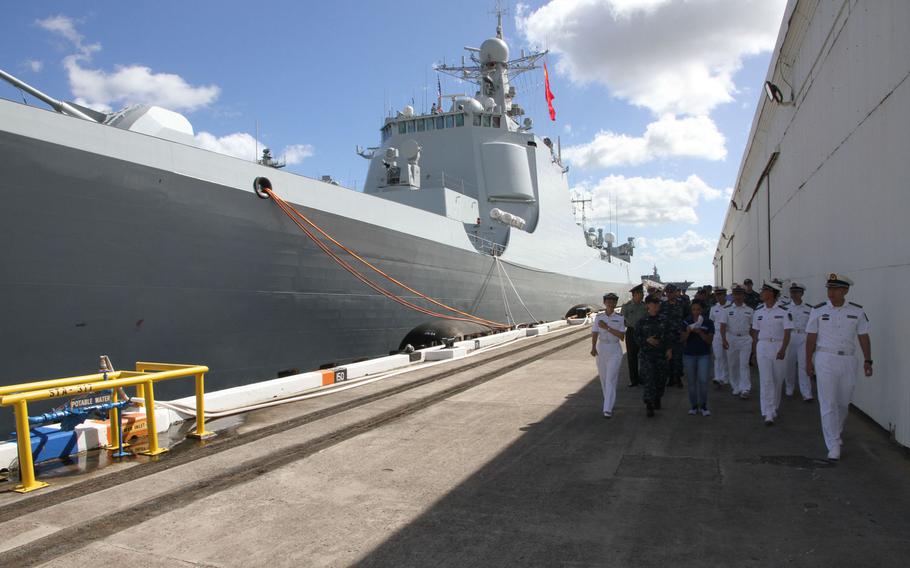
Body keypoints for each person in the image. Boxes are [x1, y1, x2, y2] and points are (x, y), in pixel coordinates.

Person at [806, 273, 872, 461]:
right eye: (829, 288)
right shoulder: (817, 310)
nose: (831, 292)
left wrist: (868, 360)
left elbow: (863, 336)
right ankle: (833, 443)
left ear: (845, 290)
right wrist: (807, 362)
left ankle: (837, 430)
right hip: (825, 358)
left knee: (844, 402)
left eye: (835, 289)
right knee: (828, 403)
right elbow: (810, 337)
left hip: (848, 360)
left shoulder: (857, 311)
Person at [751, 281, 792, 425]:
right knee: (766, 379)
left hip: (778, 345)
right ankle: (767, 411)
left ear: (772, 293)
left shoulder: (784, 311)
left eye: (764, 291)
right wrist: (754, 352)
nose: (761, 293)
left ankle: (774, 407)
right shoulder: (758, 311)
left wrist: (783, 349)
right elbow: (755, 333)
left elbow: (787, 332)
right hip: (763, 346)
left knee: (777, 379)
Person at [636, 295, 674, 417]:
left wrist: (669, 349)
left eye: (658, 303)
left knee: (661, 379)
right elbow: (636, 338)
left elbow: (669, 336)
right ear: (647, 305)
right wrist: (647, 340)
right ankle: (649, 404)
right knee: (649, 379)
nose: (657, 306)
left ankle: (657, 397)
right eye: (654, 303)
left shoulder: (664, 320)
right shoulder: (641, 321)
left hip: (661, 355)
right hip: (647, 356)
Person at [590, 293, 626, 418]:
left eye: (613, 301)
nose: (611, 303)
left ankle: (607, 408)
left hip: (614, 348)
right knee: (604, 379)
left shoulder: (620, 318)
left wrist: (608, 328)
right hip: (602, 348)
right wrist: (593, 347)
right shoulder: (599, 317)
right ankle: (609, 402)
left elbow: (622, 337)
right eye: (608, 300)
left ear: (616, 303)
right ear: (604, 302)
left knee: (610, 379)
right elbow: (595, 332)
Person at [720, 284, 755, 398]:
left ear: (744, 296)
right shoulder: (726, 310)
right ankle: (735, 386)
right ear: (733, 295)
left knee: (744, 364)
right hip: (732, 338)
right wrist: (724, 340)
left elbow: (753, 328)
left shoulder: (750, 310)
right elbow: (723, 326)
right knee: (733, 364)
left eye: (740, 294)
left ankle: (745, 388)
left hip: (745, 338)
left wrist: (754, 341)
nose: (738, 296)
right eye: (736, 294)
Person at [681, 301, 714, 416]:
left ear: (702, 310)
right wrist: (688, 332)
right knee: (691, 382)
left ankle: (703, 406)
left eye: (698, 309)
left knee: (703, 381)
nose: (696, 312)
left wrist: (700, 332)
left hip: (703, 355)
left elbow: (709, 341)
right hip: (689, 355)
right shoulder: (686, 321)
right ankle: (694, 406)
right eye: (693, 309)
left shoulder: (708, 322)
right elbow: (682, 339)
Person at [784, 282, 814, 402]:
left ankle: (806, 392)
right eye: (792, 292)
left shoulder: (809, 308)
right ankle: (789, 387)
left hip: (803, 337)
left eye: (797, 292)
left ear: (802, 293)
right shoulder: (785, 308)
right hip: (790, 336)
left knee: (803, 364)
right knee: (789, 364)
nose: (794, 294)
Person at [659, 284, 687, 388]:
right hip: (667, 336)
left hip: (678, 335)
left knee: (678, 358)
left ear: (676, 292)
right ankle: (670, 379)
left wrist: (684, 332)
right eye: (668, 292)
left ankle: (678, 379)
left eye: (672, 292)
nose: (670, 294)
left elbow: (687, 318)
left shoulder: (682, 304)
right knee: (668, 358)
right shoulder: (663, 305)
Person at [622, 284, 647, 387]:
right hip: (631, 332)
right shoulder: (626, 306)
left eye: (642, 293)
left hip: (643, 332)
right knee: (632, 357)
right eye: (641, 294)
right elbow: (622, 320)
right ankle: (633, 380)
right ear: (635, 294)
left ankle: (642, 378)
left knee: (644, 356)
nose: (642, 295)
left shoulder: (645, 306)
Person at [709, 287, 730, 388]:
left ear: (725, 295)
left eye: (720, 295)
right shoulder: (714, 308)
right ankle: (718, 377)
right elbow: (712, 321)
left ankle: (726, 377)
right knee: (718, 356)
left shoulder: (731, 306)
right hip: (717, 334)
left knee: (727, 357)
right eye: (717, 295)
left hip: (729, 333)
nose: (718, 297)